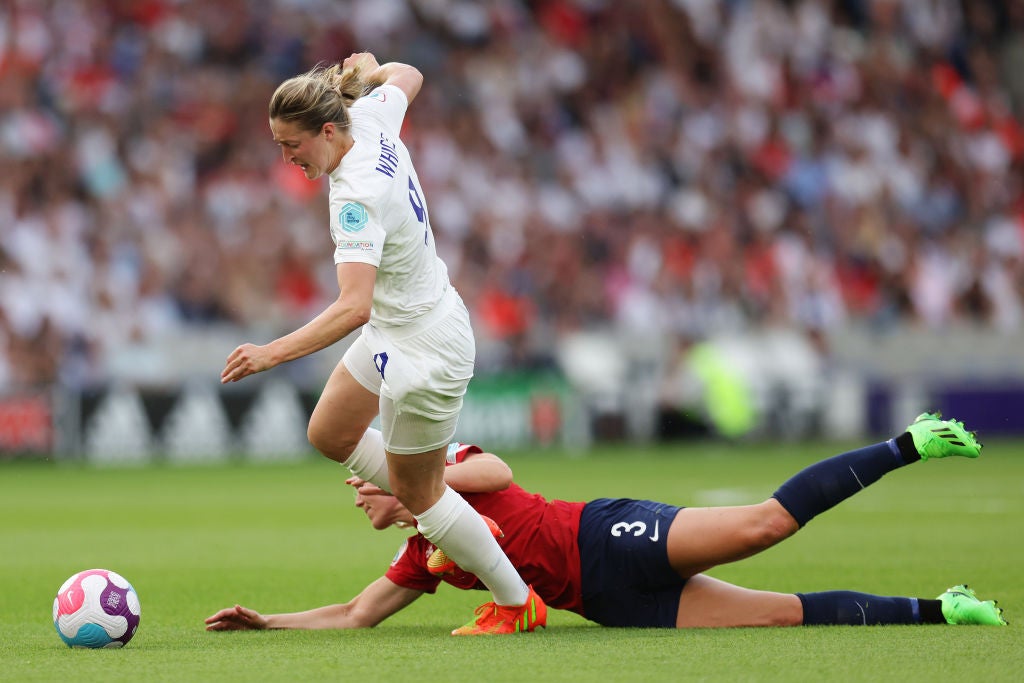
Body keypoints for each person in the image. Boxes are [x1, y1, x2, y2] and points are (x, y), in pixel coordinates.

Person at [218, 52, 544, 635]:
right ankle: (452, 515)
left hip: (425, 346)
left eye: (291, 145)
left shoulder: (354, 197)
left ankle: (516, 601)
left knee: (419, 496)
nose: (286, 158)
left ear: (324, 131)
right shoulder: (368, 118)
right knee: (329, 433)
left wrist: (271, 353)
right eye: (276, 144)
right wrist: (370, 73)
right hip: (397, 329)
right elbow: (410, 75)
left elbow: (352, 306)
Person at [205, 412, 1007, 632]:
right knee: (777, 613)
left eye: (363, 483)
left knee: (764, 525)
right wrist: (267, 620)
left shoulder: (453, 477)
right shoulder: (432, 548)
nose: (359, 496)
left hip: (608, 534)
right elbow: (355, 614)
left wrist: (418, 480)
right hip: (618, 605)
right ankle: (944, 606)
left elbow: (499, 472)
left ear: (389, 471)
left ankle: (910, 441)